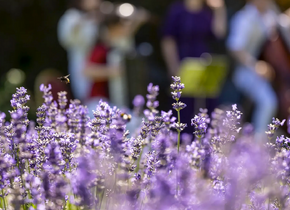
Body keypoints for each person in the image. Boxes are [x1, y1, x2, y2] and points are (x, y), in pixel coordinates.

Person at [161, 0, 227, 134]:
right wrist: (173, 67)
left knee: (207, 107)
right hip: (183, 65)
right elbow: (168, 40)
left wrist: (220, 9)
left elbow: (219, 33)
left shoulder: (206, 12)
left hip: (204, 65)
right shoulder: (177, 11)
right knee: (183, 109)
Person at [227, 0, 290, 138]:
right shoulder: (243, 18)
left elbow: (283, 24)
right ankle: (258, 145)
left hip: (271, 71)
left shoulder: (270, 14)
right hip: (246, 71)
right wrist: (255, 65)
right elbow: (235, 48)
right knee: (268, 102)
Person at [57, 0, 102, 102]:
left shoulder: (98, 15)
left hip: (98, 62)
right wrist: (85, 20)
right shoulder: (71, 16)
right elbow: (65, 39)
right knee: (87, 96)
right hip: (80, 63)